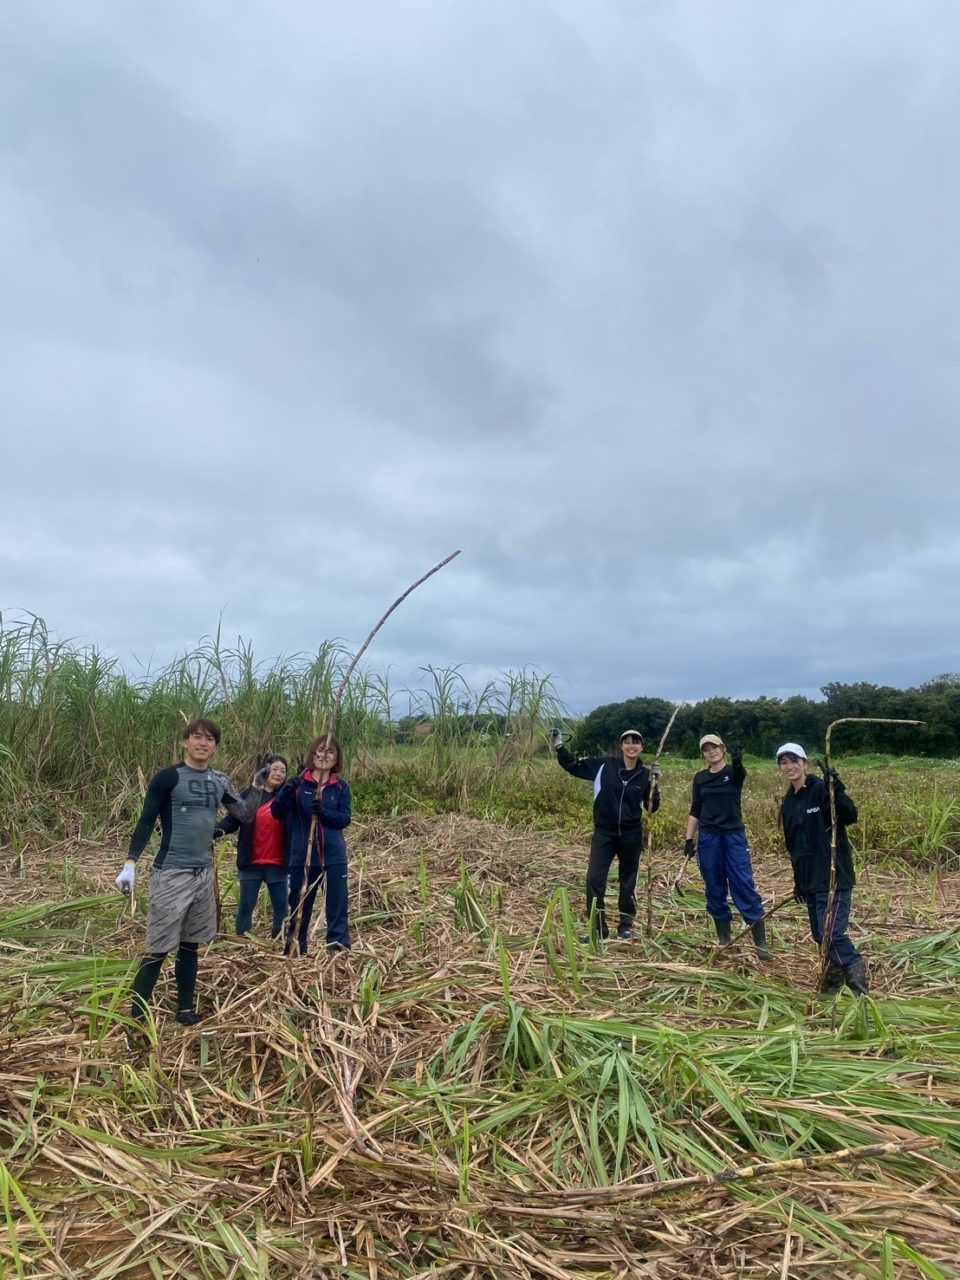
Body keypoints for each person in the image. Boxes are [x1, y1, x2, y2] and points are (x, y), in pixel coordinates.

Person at [114, 718, 267, 1030]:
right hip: (171, 873)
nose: (203, 743)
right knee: (158, 946)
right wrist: (130, 863)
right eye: (197, 737)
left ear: (215, 746)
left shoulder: (219, 780)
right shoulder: (168, 778)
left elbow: (244, 815)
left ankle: (185, 1009)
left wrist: (257, 786)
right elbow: (145, 821)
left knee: (190, 944)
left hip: (202, 874)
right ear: (185, 741)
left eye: (210, 739)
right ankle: (138, 1015)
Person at [551, 727, 661, 942]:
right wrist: (559, 748)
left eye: (636, 742)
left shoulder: (646, 775)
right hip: (605, 833)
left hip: (631, 834)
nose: (631, 745)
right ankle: (597, 930)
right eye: (627, 742)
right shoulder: (604, 766)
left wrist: (656, 784)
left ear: (642, 747)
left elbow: (651, 807)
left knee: (628, 881)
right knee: (594, 880)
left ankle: (625, 926)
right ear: (621, 746)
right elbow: (574, 766)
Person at [776, 742, 868, 995]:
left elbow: (849, 815)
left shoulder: (820, 789)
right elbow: (793, 846)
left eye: (794, 760)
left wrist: (836, 788)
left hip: (833, 877)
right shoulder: (789, 803)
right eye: (784, 762)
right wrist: (798, 883)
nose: (789, 766)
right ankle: (832, 983)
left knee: (833, 935)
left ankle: (859, 985)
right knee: (820, 935)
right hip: (810, 879)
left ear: (804, 763)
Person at [683, 734, 771, 960]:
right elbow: (696, 809)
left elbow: (741, 774)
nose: (711, 752)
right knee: (714, 886)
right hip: (709, 838)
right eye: (706, 749)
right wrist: (689, 839)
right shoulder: (700, 778)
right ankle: (724, 939)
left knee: (742, 883)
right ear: (703, 754)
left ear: (723, 749)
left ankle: (760, 942)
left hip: (733, 837)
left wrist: (739, 760)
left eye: (715, 747)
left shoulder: (733, 773)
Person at [272, 734, 352, 954]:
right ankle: (296, 947)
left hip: (334, 855)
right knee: (300, 903)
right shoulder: (299, 784)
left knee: (337, 904)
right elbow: (276, 812)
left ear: (336, 759)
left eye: (330, 752)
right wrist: (287, 791)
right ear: (312, 753)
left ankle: (337, 949)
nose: (323, 756)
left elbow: (345, 818)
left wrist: (323, 812)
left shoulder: (340, 787)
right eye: (320, 750)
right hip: (303, 855)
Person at [215, 754, 290, 940]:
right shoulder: (249, 795)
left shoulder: (287, 798)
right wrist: (215, 831)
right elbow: (233, 820)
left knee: (281, 904)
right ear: (264, 771)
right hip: (251, 861)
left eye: (283, 771)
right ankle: (242, 940)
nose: (279, 774)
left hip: (278, 861)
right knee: (247, 904)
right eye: (274, 769)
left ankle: (279, 938)